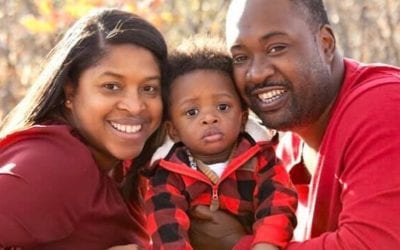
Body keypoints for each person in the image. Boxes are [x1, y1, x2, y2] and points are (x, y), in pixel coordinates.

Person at [189, 0, 400, 249]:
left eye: (276, 48)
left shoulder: (385, 106)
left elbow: (372, 244)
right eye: (241, 57)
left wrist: (236, 244)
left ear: (325, 43)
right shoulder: (282, 145)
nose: (256, 73)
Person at [0, 8, 168, 249]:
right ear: (71, 91)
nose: (134, 106)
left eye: (149, 88)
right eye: (111, 86)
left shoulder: (122, 168)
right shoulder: (54, 162)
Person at [144, 36, 298, 250]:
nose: (209, 118)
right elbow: (166, 229)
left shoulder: (262, 159)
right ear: (174, 130)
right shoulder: (168, 172)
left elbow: (278, 205)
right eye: (192, 112)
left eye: (223, 107)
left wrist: (265, 245)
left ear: (243, 117)